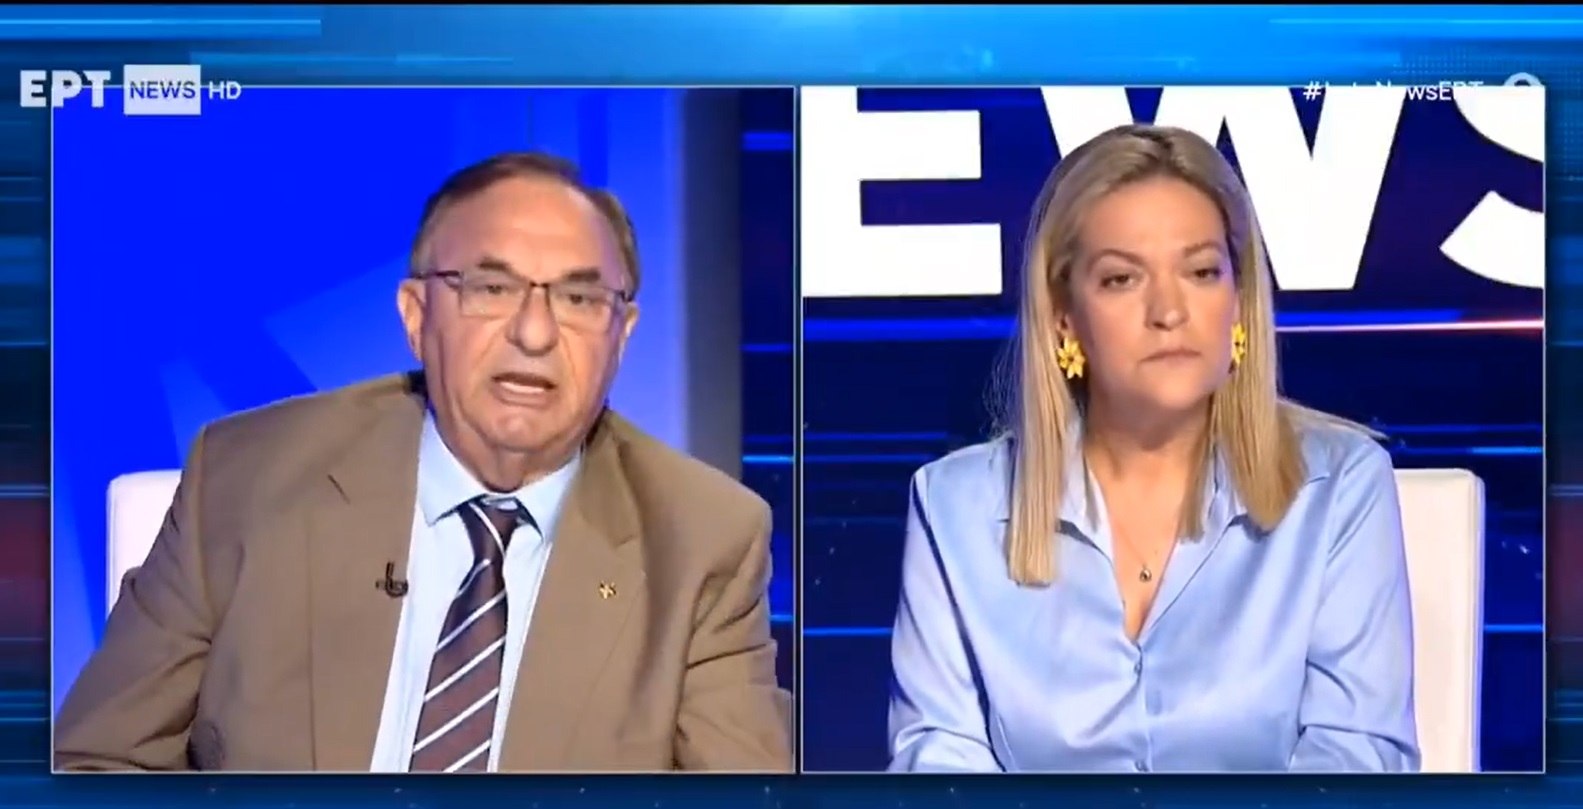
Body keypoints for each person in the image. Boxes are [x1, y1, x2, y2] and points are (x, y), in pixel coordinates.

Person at [54, 151, 792, 773]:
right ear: (415, 316)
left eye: (578, 297)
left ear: (622, 334)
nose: (535, 333)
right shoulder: (245, 478)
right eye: (491, 288)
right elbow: (98, 764)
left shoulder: (702, 542)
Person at [886, 125, 1419, 773]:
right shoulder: (955, 507)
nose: (1168, 310)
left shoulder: (1338, 487)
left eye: (1201, 272)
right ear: (1063, 317)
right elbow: (938, 759)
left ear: (1238, 302)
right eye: (1121, 279)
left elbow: (1357, 756)